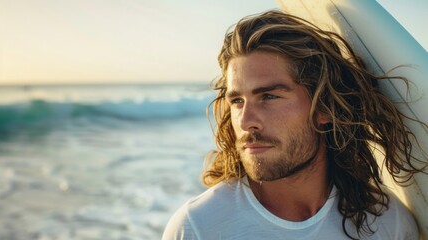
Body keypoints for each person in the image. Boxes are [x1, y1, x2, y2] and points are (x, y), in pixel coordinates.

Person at [162, 10, 427, 240]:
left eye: (269, 96)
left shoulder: (388, 223)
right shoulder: (198, 228)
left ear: (323, 107)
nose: (245, 122)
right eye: (238, 101)